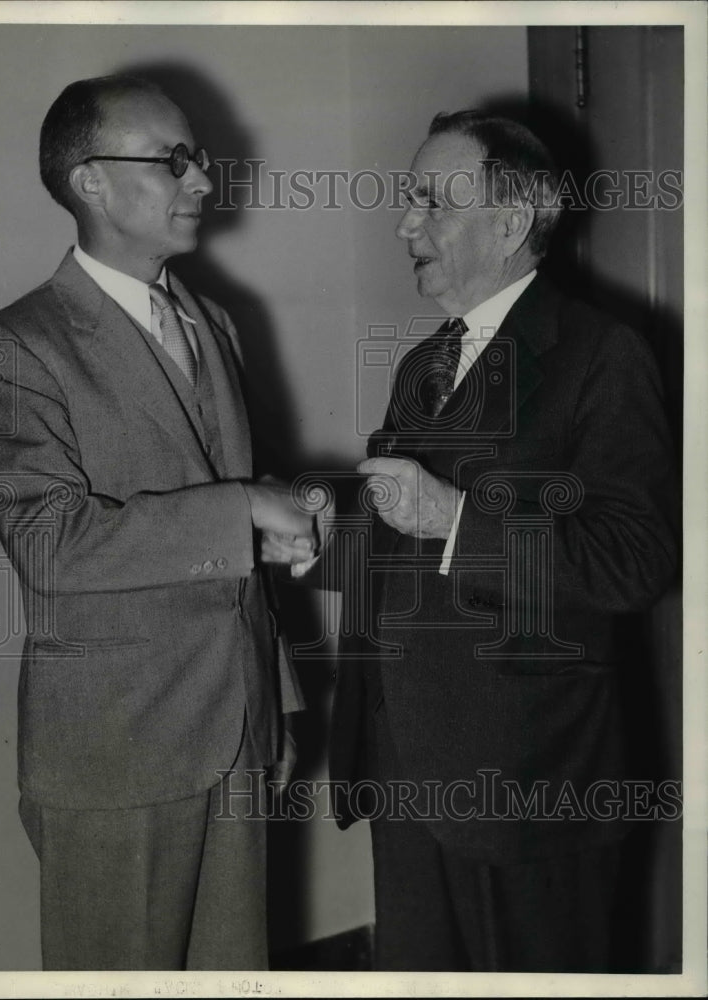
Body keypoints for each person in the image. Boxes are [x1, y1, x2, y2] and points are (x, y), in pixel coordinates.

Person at [267, 110, 678, 972]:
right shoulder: (423, 364)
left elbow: (633, 561)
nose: (404, 223)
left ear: (510, 221)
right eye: (406, 200)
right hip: (407, 774)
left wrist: (456, 518)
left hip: (530, 790)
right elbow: (408, 546)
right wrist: (314, 545)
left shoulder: (602, 354)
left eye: (429, 201)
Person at [0, 74, 315, 971]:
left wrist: (273, 704)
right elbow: (49, 543)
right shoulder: (19, 345)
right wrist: (241, 509)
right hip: (114, 752)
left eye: (198, 159)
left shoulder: (216, 325)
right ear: (89, 180)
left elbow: (225, 532)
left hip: (236, 730)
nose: (202, 180)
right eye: (174, 161)